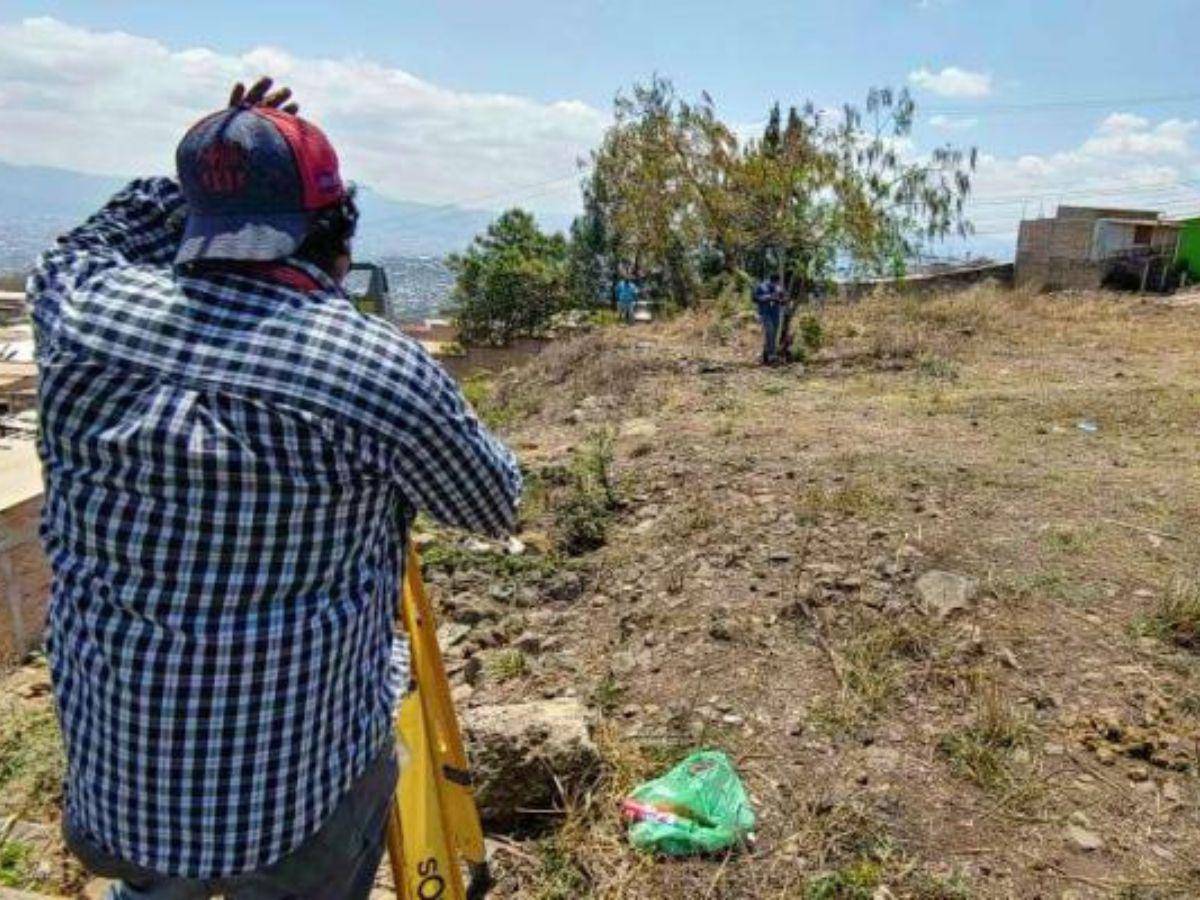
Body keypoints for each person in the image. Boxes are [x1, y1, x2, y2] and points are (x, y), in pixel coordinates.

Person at [28, 78, 521, 900]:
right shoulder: (369, 364)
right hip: (292, 810)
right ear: (340, 234)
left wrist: (222, 150)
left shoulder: (78, 306)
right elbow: (492, 502)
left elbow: (103, 231)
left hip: (116, 799)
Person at [752, 273, 784, 364]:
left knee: (774, 334)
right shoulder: (761, 287)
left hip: (775, 314)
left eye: (777, 284)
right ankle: (771, 355)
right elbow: (754, 298)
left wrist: (779, 300)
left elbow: (783, 299)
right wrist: (767, 297)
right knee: (769, 332)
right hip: (765, 313)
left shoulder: (779, 288)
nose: (776, 285)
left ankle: (766, 355)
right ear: (771, 281)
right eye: (775, 283)